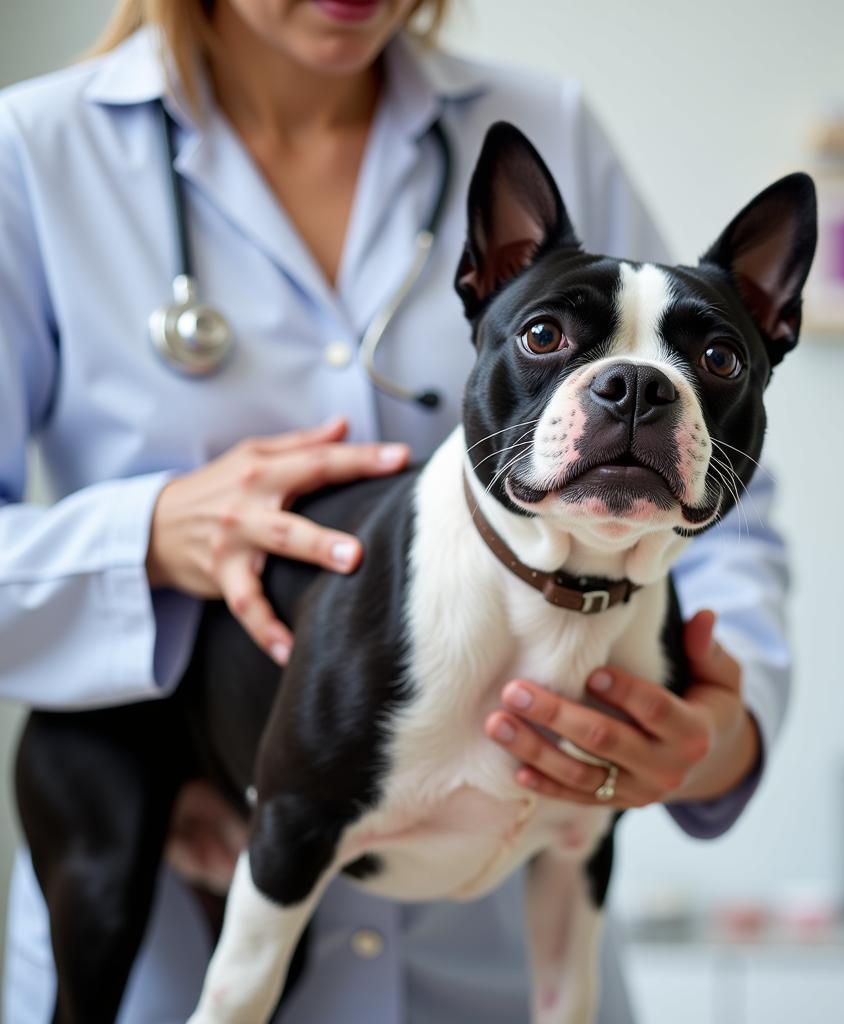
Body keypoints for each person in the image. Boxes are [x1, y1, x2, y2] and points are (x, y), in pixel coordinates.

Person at [0, 1, 791, 1021]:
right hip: (164, 918)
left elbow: (717, 474)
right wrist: (143, 537)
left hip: (494, 966)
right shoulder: (33, 149)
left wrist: (725, 737)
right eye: (553, 335)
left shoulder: (541, 120)